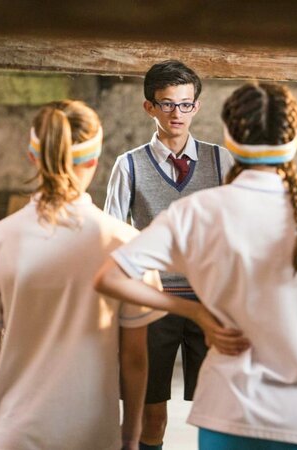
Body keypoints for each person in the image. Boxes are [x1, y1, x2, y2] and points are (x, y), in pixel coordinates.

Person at [96, 82, 297, 450]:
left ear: (230, 135)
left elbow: (109, 277)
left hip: (227, 415)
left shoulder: (197, 212)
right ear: (292, 140)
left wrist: (193, 311)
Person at [0, 100, 170, 450]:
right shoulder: (128, 245)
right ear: (95, 162)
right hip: (92, 436)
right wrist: (130, 437)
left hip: (14, 434)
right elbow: (134, 358)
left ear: (32, 156)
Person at [103, 59, 234, 450]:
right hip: (153, 303)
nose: (177, 113)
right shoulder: (128, 165)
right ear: (149, 107)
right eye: (166, 104)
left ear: (197, 106)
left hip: (210, 302)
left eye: (185, 104)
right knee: (150, 412)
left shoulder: (221, 160)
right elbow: (113, 236)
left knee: (216, 412)